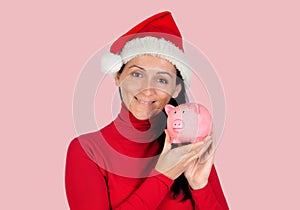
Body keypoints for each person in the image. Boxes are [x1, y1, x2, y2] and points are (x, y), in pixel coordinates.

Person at [65, 11, 229, 209]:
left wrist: (200, 186)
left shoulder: (189, 147)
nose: (147, 89)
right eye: (136, 74)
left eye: (161, 79)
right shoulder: (87, 151)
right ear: (118, 77)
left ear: (175, 89)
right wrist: (164, 174)